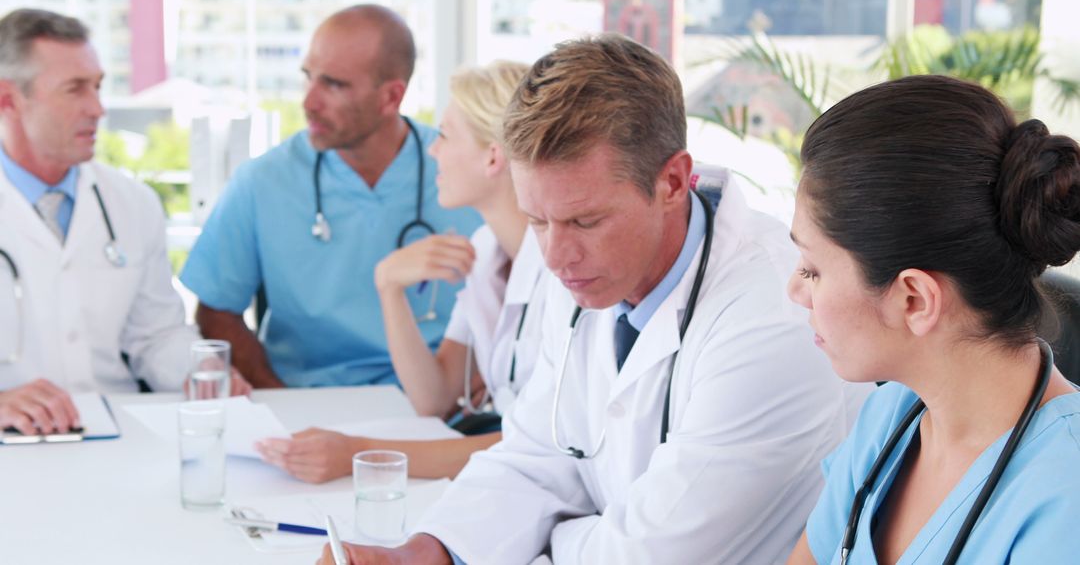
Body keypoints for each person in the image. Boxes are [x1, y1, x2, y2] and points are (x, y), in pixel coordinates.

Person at [318, 34, 867, 565]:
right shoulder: (589, 275)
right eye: (538, 221)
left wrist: (541, 542)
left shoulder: (772, 314)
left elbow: (648, 555)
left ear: (673, 181)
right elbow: (536, 454)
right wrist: (431, 551)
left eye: (586, 220)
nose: (556, 257)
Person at [784, 75, 1080, 564]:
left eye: (813, 270)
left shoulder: (1064, 499)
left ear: (915, 300)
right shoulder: (890, 419)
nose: (795, 291)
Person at [255, 61, 547, 481]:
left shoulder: (566, 275)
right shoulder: (487, 248)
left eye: (445, 135)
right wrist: (389, 285)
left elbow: (536, 448)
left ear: (493, 157)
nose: (433, 150)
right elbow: (435, 398)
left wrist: (358, 456)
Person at [179, 4, 481, 389]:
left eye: (334, 84)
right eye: (309, 78)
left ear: (392, 97)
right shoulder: (262, 181)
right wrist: (279, 399)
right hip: (310, 401)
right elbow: (216, 311)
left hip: (442, 404)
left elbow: (517, 292)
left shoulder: (464, 168)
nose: (309, 102)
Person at [0, 9, 249, 436]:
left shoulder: (133, 204)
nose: (97, 108)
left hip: (118, 432)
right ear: (8, 99)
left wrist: (201, 370)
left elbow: (155, 334)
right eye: (74, 89)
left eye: (97, 86)